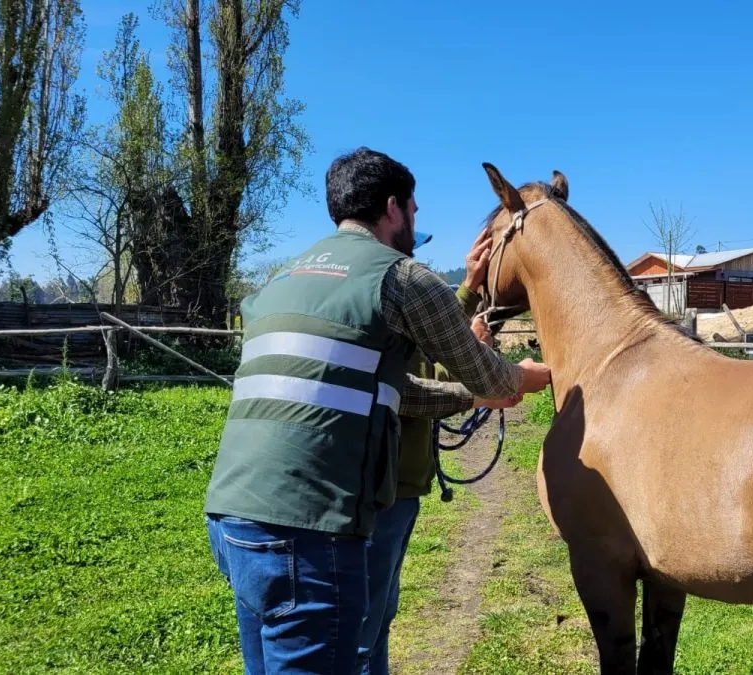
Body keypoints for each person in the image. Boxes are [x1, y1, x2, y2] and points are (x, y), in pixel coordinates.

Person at [202, 147, 551, 674]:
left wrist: (469, 396)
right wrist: (518, 378)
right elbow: (489, 373)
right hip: (311, 529)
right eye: (414, 211)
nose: (415, 222)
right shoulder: (402, 277)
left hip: (233, 519)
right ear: (393, 207)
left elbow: (382, 390)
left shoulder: (282, 280)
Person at [357, 228, 503, 675]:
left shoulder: (369, 298)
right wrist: (485, 391)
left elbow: (424, 346)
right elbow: (412, 384)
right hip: (384, 486)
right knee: (367, 624)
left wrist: (471, 288)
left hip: (396, 485)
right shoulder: (380, 297)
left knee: (379, 616)